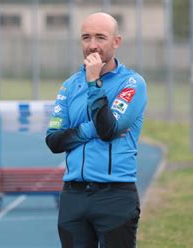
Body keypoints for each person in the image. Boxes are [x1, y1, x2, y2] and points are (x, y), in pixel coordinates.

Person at [45, 12, 147, 248]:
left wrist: (94, 83)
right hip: (73, 197)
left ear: (116, 41)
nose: (92, 46)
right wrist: (92, 129)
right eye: (86, 37)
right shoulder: (70, 85)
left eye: (100, 37)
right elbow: (54, 141)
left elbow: (109, 129)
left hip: (115, 195)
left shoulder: (132, 83)